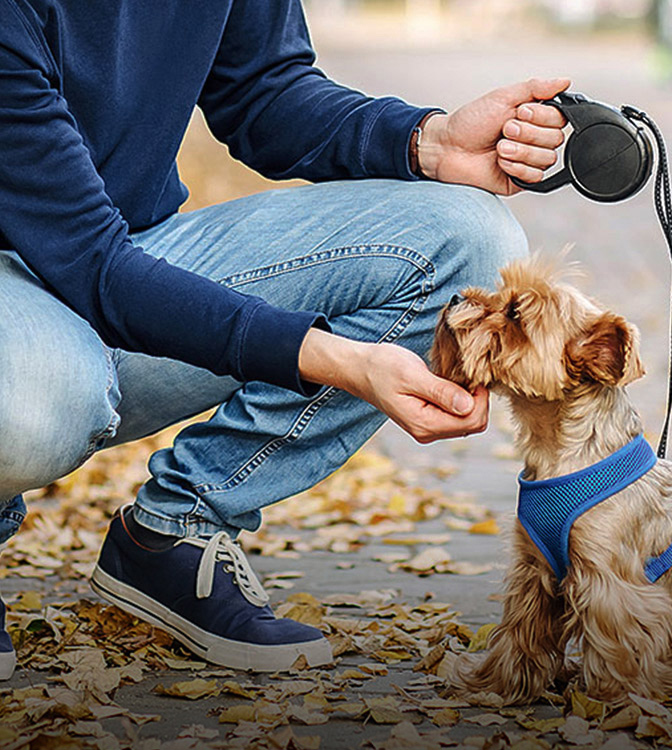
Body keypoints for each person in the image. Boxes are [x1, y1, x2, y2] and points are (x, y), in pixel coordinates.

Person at [0, 0, 570, 679]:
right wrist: (337, 359)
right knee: (36, 402)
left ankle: (177, 530)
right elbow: (92, 263)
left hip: (123, 252)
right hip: (45, 275)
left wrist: (431, 141)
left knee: (468, 238)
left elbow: (262, 90)